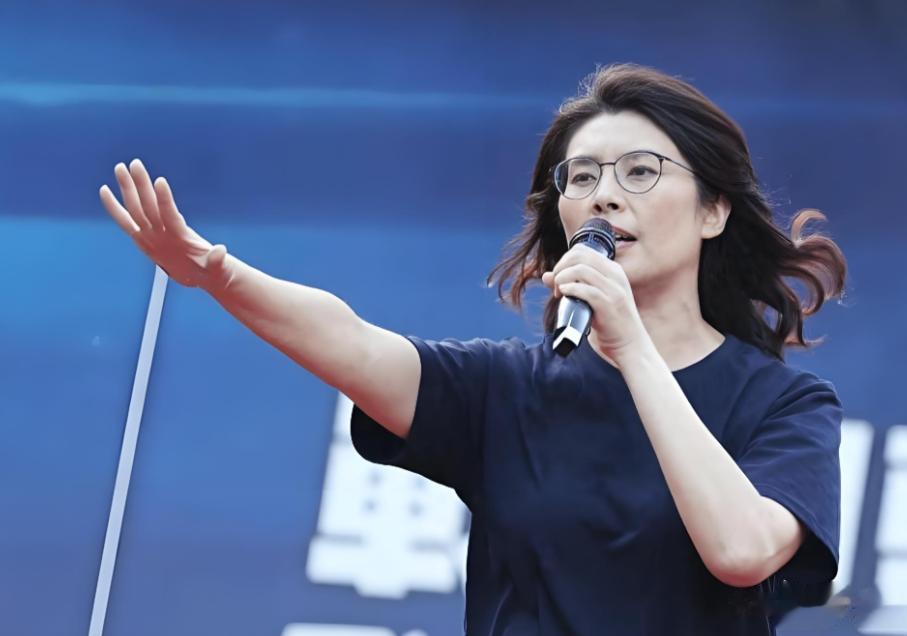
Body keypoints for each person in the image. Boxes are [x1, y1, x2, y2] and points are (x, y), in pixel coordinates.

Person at [99, 63, 847, 635]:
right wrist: (220, 276)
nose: (605, 195)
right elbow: (350, 342)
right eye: (582, 176)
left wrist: (634, 348)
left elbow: (741, 551)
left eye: (640, 172)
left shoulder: (783, 405)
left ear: (713, 210)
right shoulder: (507, 387)